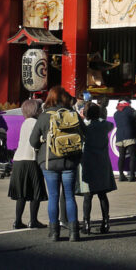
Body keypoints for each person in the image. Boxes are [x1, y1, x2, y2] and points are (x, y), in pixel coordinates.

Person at [30, 85, 84, 242]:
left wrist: (44, 140)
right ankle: (74, 232)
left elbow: (33, 141)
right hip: (70, 161)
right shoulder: (73, 114)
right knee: (69, 196)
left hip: (49, 161)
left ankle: (54, 232)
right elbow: (84, 134)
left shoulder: (44, 116)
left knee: (53, 196)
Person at [8, 99, 47, 230]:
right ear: (36, 110)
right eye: (40, 108)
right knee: (36, 191)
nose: (41, 110)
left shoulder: (25, 122)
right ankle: (33, 220)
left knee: (21, 193)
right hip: (31, 159)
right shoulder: (36, 123)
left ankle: (17, 220)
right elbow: (38, 140)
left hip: (19, 159)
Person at [78, 103, 116, 234]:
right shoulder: (105, 125)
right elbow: (111, 125)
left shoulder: (86, 127)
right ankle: (105, 222)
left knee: (87, 196)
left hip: (88, 162)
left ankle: (86, 224)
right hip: (102, 162)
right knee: (102, 194)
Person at [113, 99, 136, 182]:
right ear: (126, 104)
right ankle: (132, 176)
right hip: (129, 136)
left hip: (119, 137)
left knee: (121, 156)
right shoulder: (129, 110)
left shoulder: (116, 113)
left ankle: (121, 175)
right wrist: (132, 109)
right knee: (133, 156)